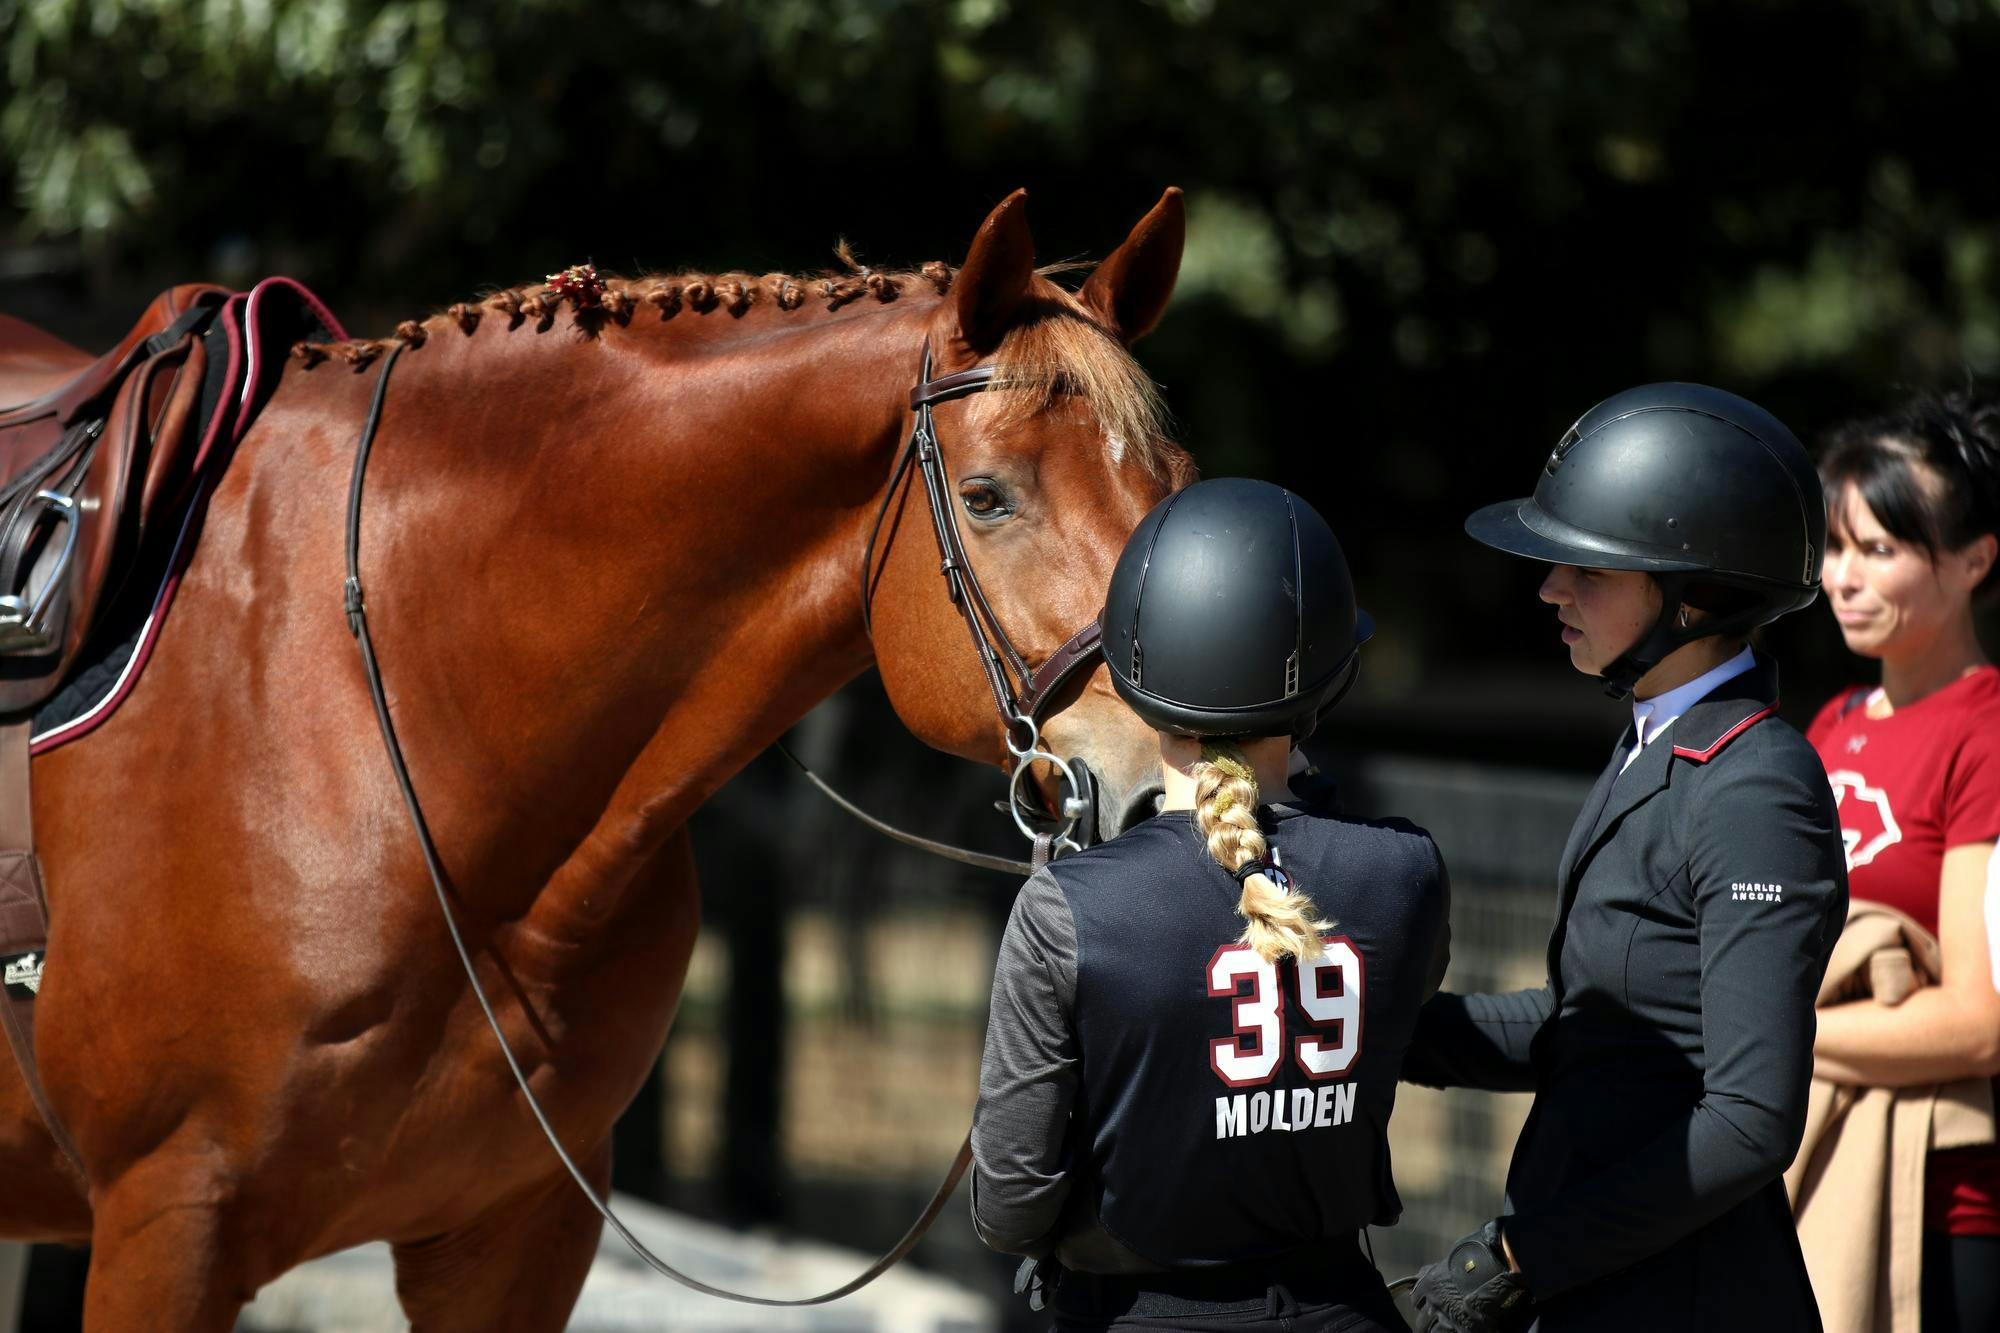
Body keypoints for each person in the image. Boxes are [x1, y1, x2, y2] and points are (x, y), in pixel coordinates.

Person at [1401, 384, 1849, 1333]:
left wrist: (1525, 1255)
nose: (1551, 587)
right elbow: (1597, 1031)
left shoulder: (1755, 786)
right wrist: (1385, 1027)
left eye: (1589, 571)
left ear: (1694, 596)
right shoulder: (1656, 737)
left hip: (1682, 1293)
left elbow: (1748, 1119)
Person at [971, 477, 1450, 1332]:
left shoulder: (1066, 910)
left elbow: (1007, 1204)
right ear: (1324, 687)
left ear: (1127, 671)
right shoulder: (1406, 873)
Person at [1803, 386, 2000, 1333]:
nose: (1844, 576)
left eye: (1879, 548)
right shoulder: (1829, 727)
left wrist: (1766, 1034)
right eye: (1837, 546)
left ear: (1973, 560)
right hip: (1816, 1166)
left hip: (1946, 1202)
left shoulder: (1986, 731)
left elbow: (1977, 1023)